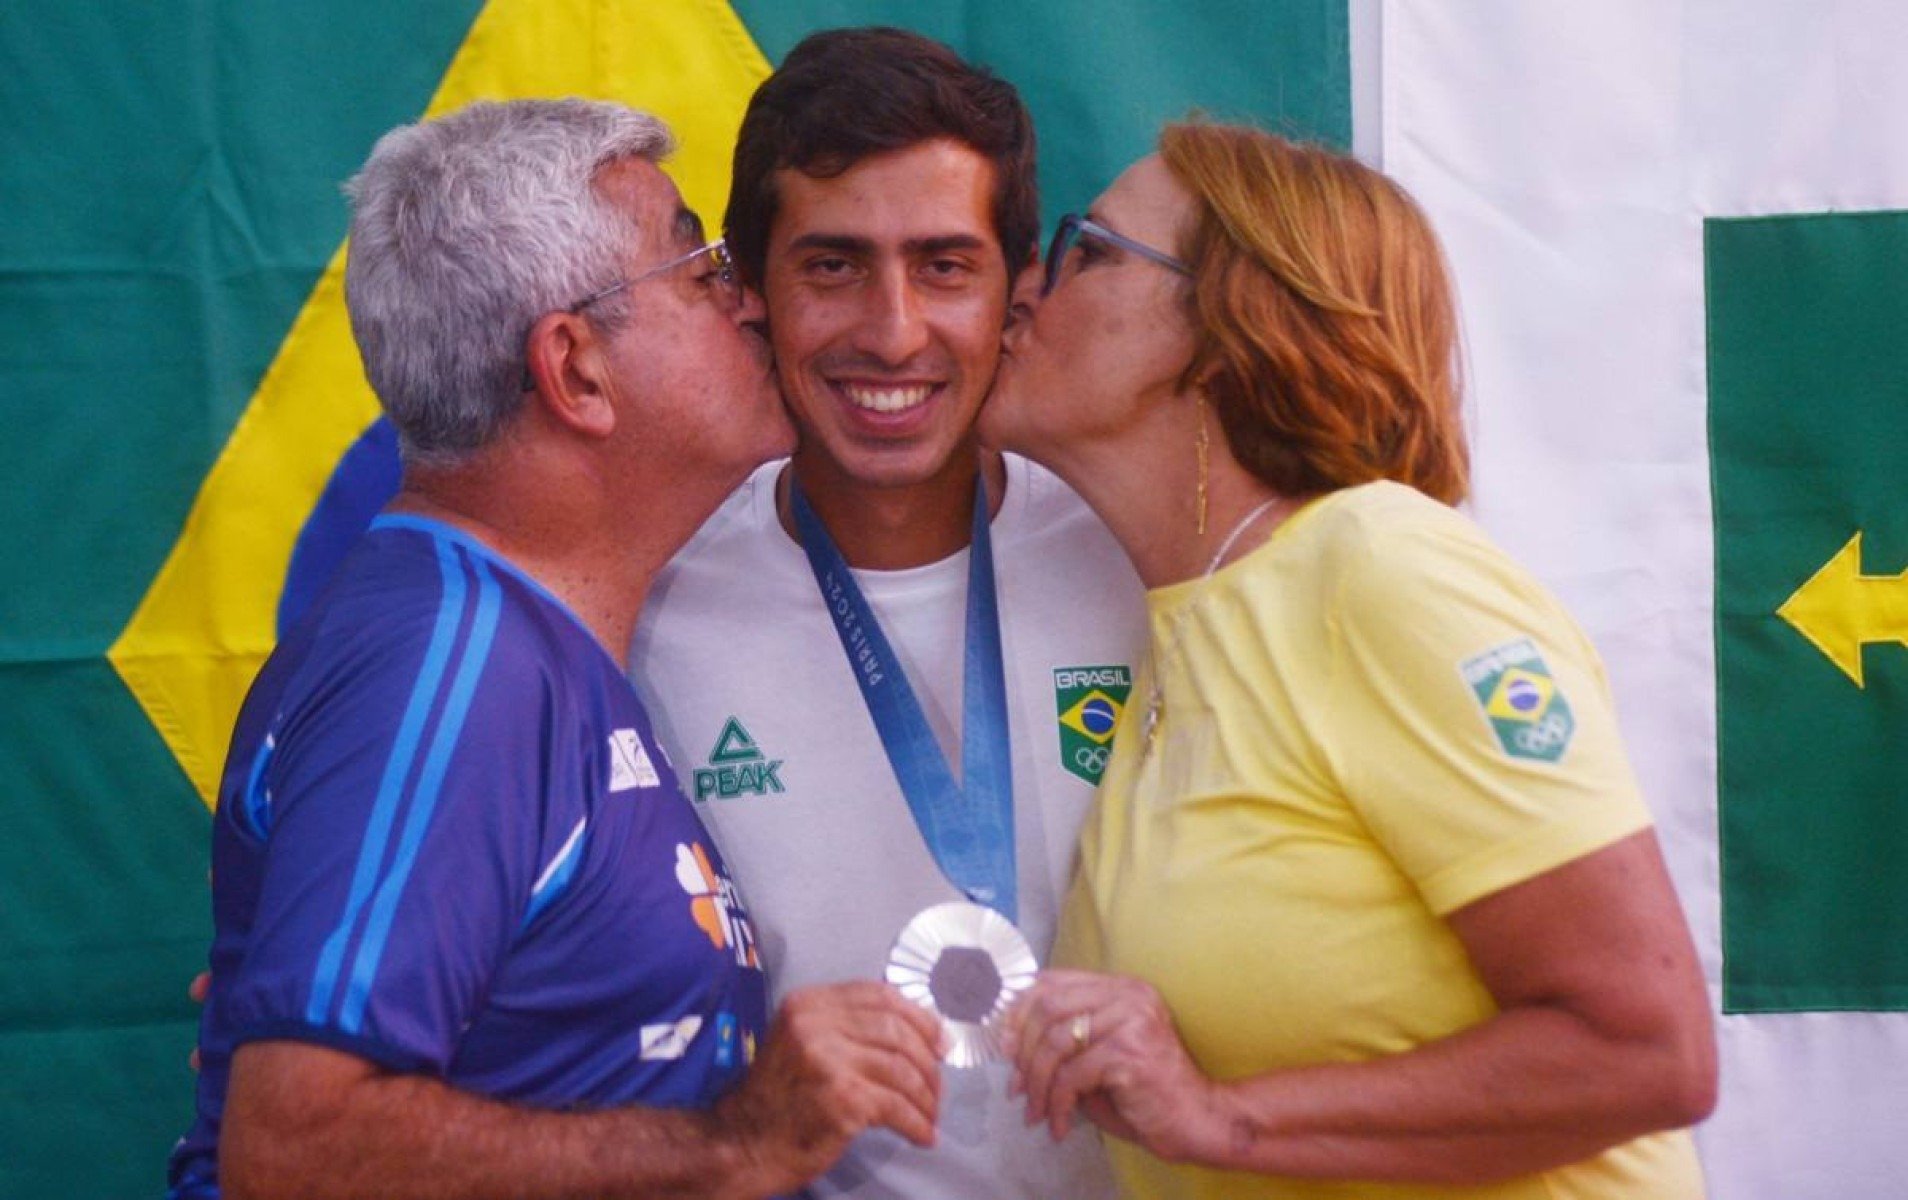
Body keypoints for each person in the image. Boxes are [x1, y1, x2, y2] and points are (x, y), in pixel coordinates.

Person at [166, 99, 945, 1200]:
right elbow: (295, 1147)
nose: (754, 305)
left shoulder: (519, 645)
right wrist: (739, 1143)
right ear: (575, 368)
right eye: (702, 271)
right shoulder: (450, 662)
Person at [984, 123, 1718, 1198]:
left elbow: (1647, 1049)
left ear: (1228, 324)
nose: (1023, 290)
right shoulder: (1183, 627)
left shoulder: (1381, 570)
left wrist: (1218, 1117)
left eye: (1086, 247)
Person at [629, 27, 1144, 1199]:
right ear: (749, 293)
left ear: (1020, 294)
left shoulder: (1136, 555)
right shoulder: (651, 599)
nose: (894, 331)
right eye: (834, 265)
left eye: (946, 265)